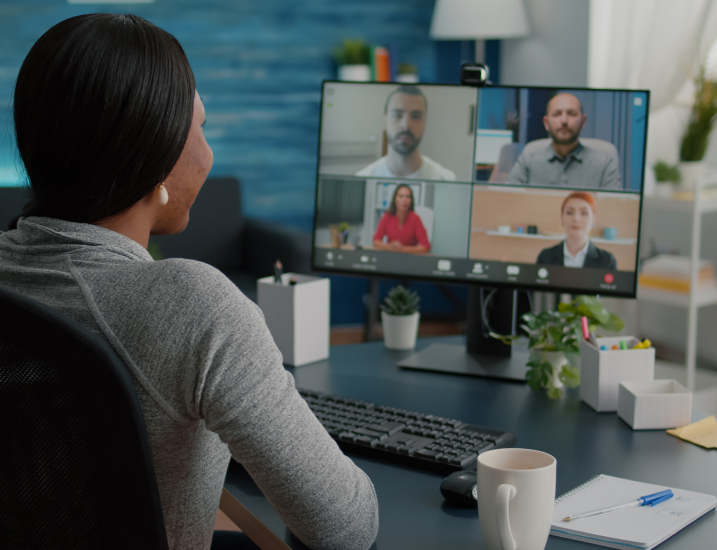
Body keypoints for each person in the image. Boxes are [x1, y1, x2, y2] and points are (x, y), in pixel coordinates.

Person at [0, 14, 378, 550]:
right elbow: (345, 529)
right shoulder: (194, 306)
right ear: (154, 156)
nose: (208, 153)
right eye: (201, 126)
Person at [506, 93, 621, 189]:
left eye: (571, 113)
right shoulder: (527, 161)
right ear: (546, 123)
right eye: (557, 114)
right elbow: (507, 200)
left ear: (583, 121)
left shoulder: (605, 163)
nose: (564, 120)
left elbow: (615, 208)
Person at [357, 85, 456, 180]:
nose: (406, 125)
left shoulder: (446, 179)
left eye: (416, 116)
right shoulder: (363, 178)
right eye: (397, 115)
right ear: (384, 121)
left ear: (425, 123)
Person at [536, 192, 617, 269]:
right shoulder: (545, 257)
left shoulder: (608, 261)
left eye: (584, 213)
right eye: (570, 212)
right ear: (562, 217)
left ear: (594, 219)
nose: (576, 219)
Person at [372, 184, 430, 254]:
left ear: (411, 200)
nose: (404, 200)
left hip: (409, 259)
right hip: (390, 257)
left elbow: (426, 247)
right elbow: (376, 241)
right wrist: (388, 247)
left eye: (408, 197)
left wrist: (403, 249)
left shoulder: (415, 218)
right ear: (395, 199)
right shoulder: (387, 217)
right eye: (401, 196)